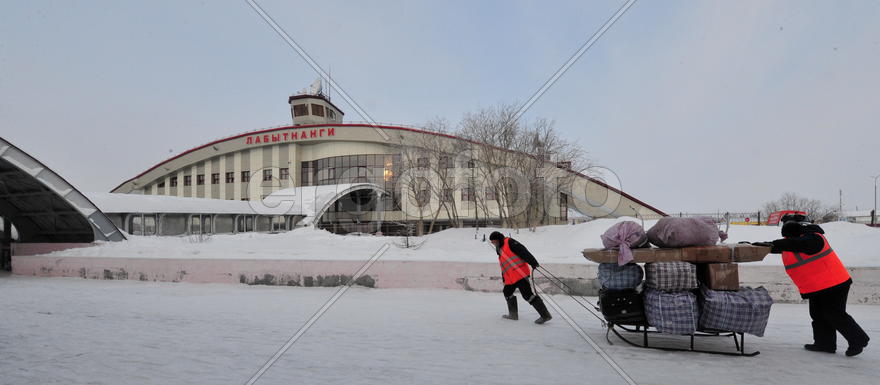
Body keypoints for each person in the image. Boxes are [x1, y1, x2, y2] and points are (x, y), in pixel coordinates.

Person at [758, 216, 870, 356]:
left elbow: (797, 244)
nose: (787, 240)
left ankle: (858, 340)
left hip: (834, 283)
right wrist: (758, 245)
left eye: (788, 237)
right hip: (818, 286)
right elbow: (784, 246)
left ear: (797, 233)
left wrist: (776, 244)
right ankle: (825, 344)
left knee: (834, 314)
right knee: (818, 314)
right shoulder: (794, 242)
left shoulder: (814, 239)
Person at [488, 231, 552, 324]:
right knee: (507, 292)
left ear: (499, 239)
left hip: (520, 274)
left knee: (527, 295)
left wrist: (533, 262)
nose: (494, 244)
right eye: (492, 242)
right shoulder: (499, 248)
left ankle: (545, 315)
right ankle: (513, 315)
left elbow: (523, 252)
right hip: (510, 278)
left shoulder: (510, 242)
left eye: (494, 242)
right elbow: (504, 264)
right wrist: (504, 278)